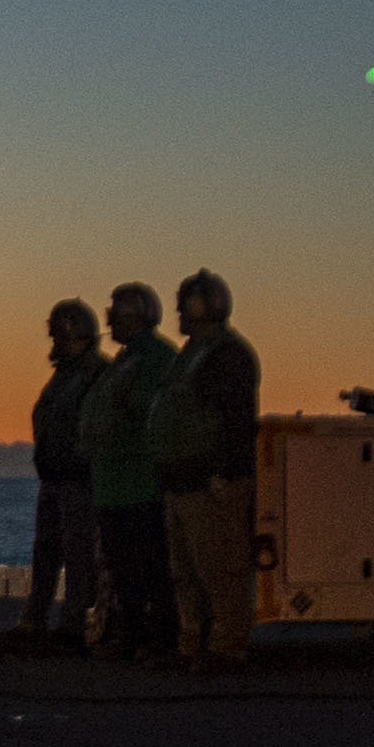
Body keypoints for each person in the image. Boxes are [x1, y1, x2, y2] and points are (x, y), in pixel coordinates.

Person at [152, 269, 261, 673]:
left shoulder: (227, 353)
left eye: (185, 303)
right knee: (187, 573)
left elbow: (235, 420)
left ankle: (227, 648)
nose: (178, 311)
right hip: (181, 481)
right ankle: (192, 644)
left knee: (221, 571)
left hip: (210, 483)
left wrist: (225, 473)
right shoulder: (192, 353)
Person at [74, 282, 180, 661]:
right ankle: (130, 636)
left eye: (117, 312)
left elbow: (147, 417)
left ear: (137, 315)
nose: (109, 320)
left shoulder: (155, 359)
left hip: (140, 485)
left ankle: (160, 639)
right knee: (124, 572)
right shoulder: (125, 361)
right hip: (114, 485)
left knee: (150, 569)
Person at [11, 299, 107, 654]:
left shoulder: (95, 375)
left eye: (61, 338)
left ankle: (71, 623)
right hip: (53, 478)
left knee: (79, 553)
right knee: (46, 551)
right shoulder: (64, 376)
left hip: (79, 480)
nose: (55, 345)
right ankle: (34, 618)